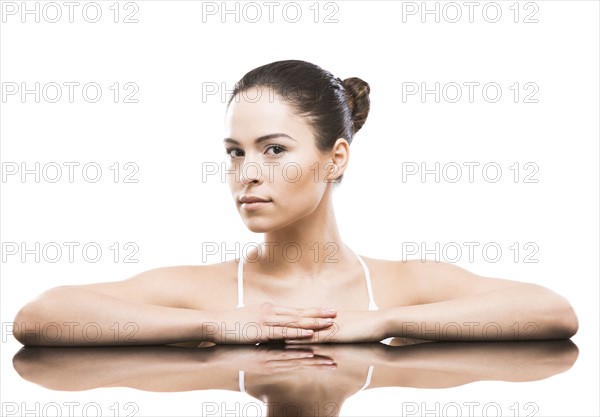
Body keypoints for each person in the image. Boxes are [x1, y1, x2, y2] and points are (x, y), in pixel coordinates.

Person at [13, 60, 578, 346]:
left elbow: (553, 312)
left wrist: (382, 322)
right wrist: (215, 325)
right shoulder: (208, 292)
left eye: (274, 149)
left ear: (335, 159)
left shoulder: (400, 284)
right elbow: (39, 317)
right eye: (235, 153)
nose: (247, 174)